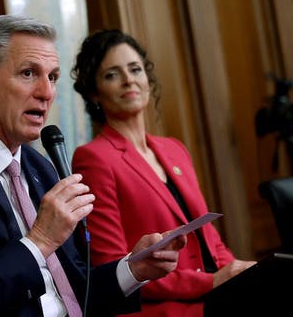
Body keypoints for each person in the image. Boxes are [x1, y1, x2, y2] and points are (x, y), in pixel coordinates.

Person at [0, 15, 186, 317]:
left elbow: (73, 293)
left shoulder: (40, 167)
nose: (46, 92)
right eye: (29, 73)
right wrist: (39, 241)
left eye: (53, 77)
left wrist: (133, 268)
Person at [70, 29, 256, 317]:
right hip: (165, 308)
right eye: (112, 75)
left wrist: (238, 271)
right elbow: (113, 266)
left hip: (216, 296)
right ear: (94, 93)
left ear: (147, 79)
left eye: (135, 69)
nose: (129, 79)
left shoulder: (174, 149)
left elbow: (209, 238)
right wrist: (212, 281)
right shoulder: (93, 158)